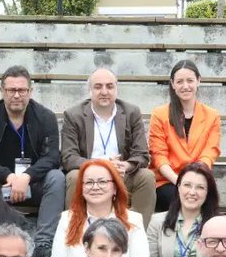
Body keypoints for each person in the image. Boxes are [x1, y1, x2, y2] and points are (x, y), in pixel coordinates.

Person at [0, 66, 65, 257]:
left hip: (34, 184)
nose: (17, 95)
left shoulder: (45, 117)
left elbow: (52, 157)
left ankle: (44, 243)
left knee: (57, 178)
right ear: (2, 91)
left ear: (31, 91)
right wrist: (8, 176)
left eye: (22, 90)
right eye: (11, 90)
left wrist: (27, 176)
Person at [60, 68, 157, 227]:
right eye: (98, 87)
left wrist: (126, 165)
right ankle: (76, 231)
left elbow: (142, 154)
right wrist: (100, 165)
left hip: (121, 174)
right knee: (73, 176)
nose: (104, 91)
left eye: (109, 86)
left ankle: (135, 232)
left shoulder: (131, 112)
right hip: (89, 174)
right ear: (90, 90)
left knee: (146, 177)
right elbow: (68, 157)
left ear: (116, 89)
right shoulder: (73, 115)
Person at [49, 159, 150, 257]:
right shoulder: (67, 219)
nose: (95, 187)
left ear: (115, 188)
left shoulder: (133, 221)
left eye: (102, 182)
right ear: (81, 188)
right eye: (89, 182)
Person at [148, 60, 222, 212]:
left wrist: (193, 181)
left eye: (190, 80)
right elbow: (159, 156)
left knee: (207, 201)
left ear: (198, 81)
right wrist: (180, 182)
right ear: (172, 84)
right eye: (179, 81)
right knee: (174, 197)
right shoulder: (160, 114)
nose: (185, 86)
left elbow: (210, 152)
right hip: (168, 180)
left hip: (199, 177)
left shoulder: (212, 115)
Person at [146, 162, 219, 257]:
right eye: (187, 185)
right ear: (178, 187)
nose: (192, 192)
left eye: (200, 187)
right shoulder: (157, 222)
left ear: (208, 192)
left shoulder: (218, 225)